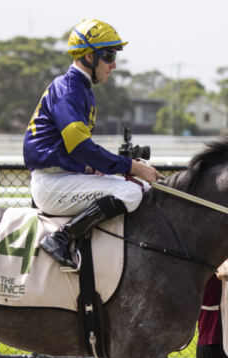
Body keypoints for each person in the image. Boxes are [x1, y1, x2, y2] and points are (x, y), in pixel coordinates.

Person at [23, 18, 159, 270]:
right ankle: (61, 239)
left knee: (139, 186)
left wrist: (92, 167)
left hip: (62, 177)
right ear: (88, 56)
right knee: (131, 191)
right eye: (109, 56)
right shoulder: (69, 90)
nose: (114, 64)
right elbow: (81, 147)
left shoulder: (80, 88)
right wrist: (131, 166)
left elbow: (74, 149)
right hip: (51, 184)